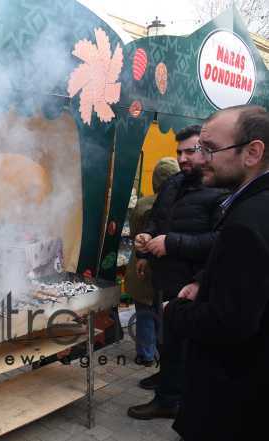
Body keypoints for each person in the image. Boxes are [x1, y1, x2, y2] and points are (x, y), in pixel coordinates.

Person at [165, 105, 269, 441]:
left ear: (252, 152)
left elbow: (229, 324)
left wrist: (175, 312)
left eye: (209, 149)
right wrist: (202, 281)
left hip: (231, 401)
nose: (199, 158)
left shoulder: (248, 219)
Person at [128, 125, 228, 420]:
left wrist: (171, 243)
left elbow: (221, 241)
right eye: (179, 152)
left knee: (181, 343)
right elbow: (156, 221)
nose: (183, 158)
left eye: (190, 151)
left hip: (192, 284)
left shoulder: (220, 188)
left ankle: (169, 400)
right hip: (165, 279)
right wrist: (144, 243)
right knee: (166, 339)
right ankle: (167, 379)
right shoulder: (173, 182)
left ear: (207, 150)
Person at [126, 157, 179, 366]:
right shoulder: (180, 204)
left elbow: (134, 232)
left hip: (142, 262)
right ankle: (159, 348)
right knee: (161, 309)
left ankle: (145, 354)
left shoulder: (143, 204)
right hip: (167, 263)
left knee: (144, 310)